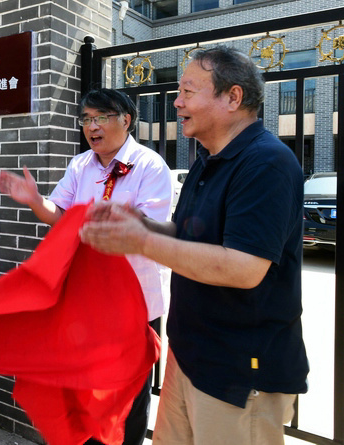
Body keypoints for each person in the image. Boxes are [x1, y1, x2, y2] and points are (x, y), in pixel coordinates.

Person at [79, 46, 309, 445]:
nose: (176, 100)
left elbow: (243, 267)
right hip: (188, 359)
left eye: (188, 90)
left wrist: (141, 241)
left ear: (232, 97)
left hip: (238, 372)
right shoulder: (208, 160)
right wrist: (143, 225)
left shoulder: (266, 163)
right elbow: (190, 237)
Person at [0, 87, 173, 445]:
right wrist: (34, 200)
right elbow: (59, 216)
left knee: (128, 399)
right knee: (84, 389)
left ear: (126, 120)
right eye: (86, 119)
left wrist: (97, 225)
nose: (91, 127)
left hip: (133, 304)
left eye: (100, 118)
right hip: (85, 303)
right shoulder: (80, 164)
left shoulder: (150, 166)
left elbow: (150, 226)